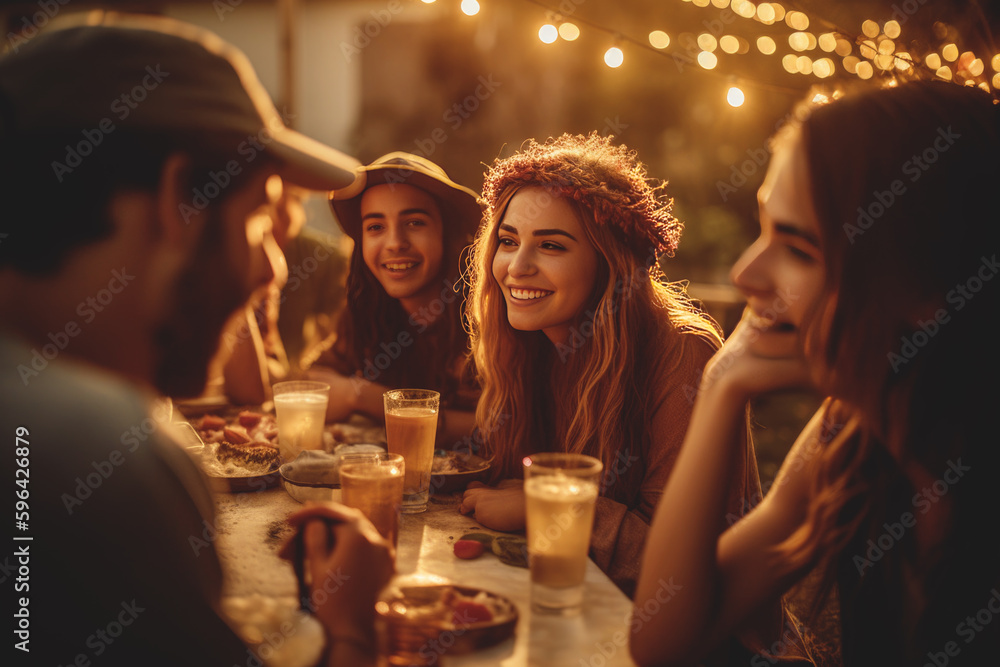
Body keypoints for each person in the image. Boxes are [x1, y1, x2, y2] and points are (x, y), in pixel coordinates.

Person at [0, 13, 391, 666]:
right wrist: (351, 627)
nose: (273, 267)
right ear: (179, 196)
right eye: (261, 218)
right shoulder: (98, 448)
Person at [630, 80, 1000, 666]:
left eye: (799, 248)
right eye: (763, 225)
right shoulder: (849, 435)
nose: (745, 272)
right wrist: (722, 387)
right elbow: (662, 641)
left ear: (929, 288)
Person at [458, 132, 768, 602]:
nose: (516, 266)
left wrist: (544, 507)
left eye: (551, 246)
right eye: (507, 240)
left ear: (609, 263)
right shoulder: (532, 347)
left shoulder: (685, 354)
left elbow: (684, 568)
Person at [308, 152, 483, 445]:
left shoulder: (484, 318)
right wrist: (351, 392)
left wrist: (365, 397)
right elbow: (315, 376)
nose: (394, 243)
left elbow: (497, 427)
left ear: (447, 232)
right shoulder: (369, 309)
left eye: (414, 223)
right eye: (376, 227)